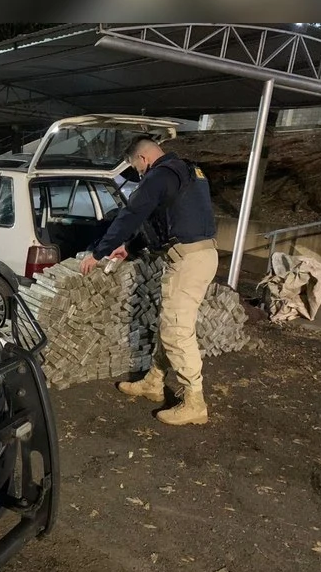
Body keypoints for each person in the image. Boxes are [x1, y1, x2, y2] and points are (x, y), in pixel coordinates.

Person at [80, 136, 219, 426]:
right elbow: (165, 222)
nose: (139, 173)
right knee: (168, 325)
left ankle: (195, 402)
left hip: (188, 261)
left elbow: (131, 214)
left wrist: (99, 252)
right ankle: (153, 382)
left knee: (177, 332)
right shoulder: (189, 171)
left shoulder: (159, 175)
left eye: (136, 167)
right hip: (200, 254)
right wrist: (129, 248)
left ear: (143, 159)